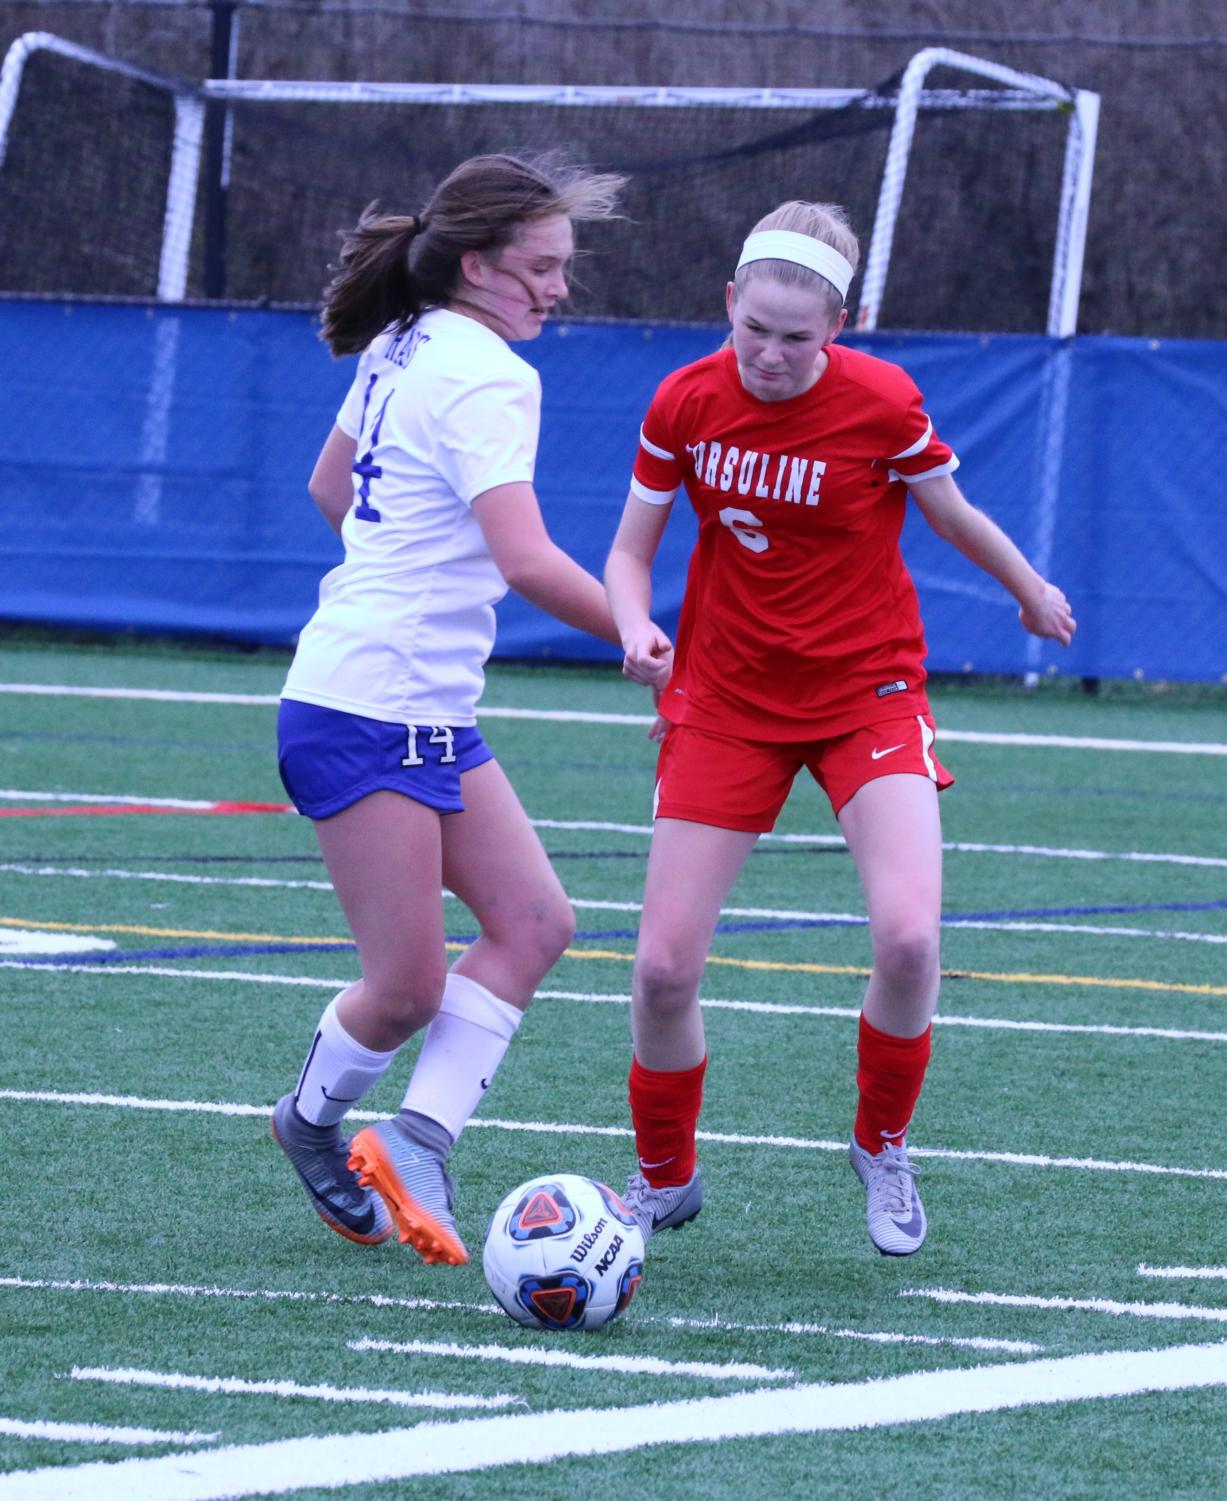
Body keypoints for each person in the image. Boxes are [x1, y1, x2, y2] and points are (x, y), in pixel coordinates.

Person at [604, 200, 1075, 1257]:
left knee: (910, 938)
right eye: (753, 329)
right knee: (662, 970)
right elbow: (631, 550)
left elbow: (950, 512)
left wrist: (1027, 587)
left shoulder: (881, 402)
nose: (769, 354)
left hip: (866, 690)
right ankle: (663, 1176)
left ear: (840, 327)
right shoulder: (684, 401)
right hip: (725, 700)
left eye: (797, 337)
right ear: (729, 304)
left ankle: (882, 1144)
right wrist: (636, 627)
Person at [271, 152, 665, 1266]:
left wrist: (400, 568)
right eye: (541, 267)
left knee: (536, 922)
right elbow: (529, 560)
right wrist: (638, 634)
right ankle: (307, 1122)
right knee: (404, 985)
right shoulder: (486, 372)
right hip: (363, 704)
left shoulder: (406, 342)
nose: (558, 289)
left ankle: (418, 1137)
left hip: (415, 699)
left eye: (564, 269)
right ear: (479, 265)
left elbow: (330, 489)